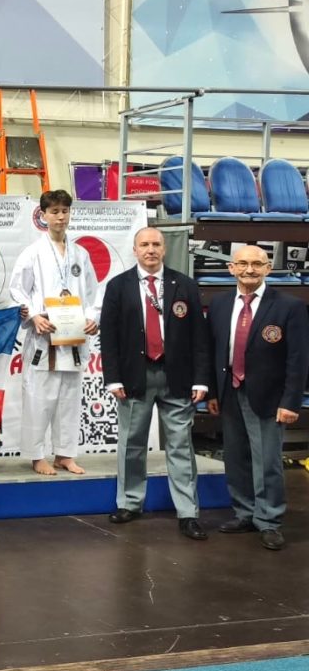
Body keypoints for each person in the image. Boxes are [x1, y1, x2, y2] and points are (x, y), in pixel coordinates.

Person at [101, 227, 210, 540]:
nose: (150, 250)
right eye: (144, 244)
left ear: (164, 249)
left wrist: (201, 380)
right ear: (135, 250)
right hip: (134, 376)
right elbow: (108, 337)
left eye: (156, 244)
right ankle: (129, 503)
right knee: (131, 443)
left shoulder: (185, 285)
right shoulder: (118, 286)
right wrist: (113, 377)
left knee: (180, 445)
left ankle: (188, 513)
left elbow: (200, 337)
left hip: (178, 377)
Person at [206, 245, 309, 551]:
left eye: (256, 264)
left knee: (267, 461)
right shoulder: (220, 304)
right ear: (231, 269)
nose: (249, 269)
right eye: (242, 263)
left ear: (268, 268)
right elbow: (213, 351)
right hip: (230, 391)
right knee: (236, 458)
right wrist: (213, 391)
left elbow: (298, 359)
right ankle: (245, 513)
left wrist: (290, 401)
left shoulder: (290, 306)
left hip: (269, 397)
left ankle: (269, 520)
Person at [9, 189, 100, 475]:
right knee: (39, 399)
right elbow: (17, 290)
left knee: (69, 400)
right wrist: (34, 316)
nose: (61, 217)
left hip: (73, 335)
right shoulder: (32, 253)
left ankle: (65, 454)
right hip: (44, 336)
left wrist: (92, 318)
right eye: (55, 212)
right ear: (43, 215)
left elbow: (92, 293)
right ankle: (37, 456)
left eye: (65, 211)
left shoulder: (81, 254)